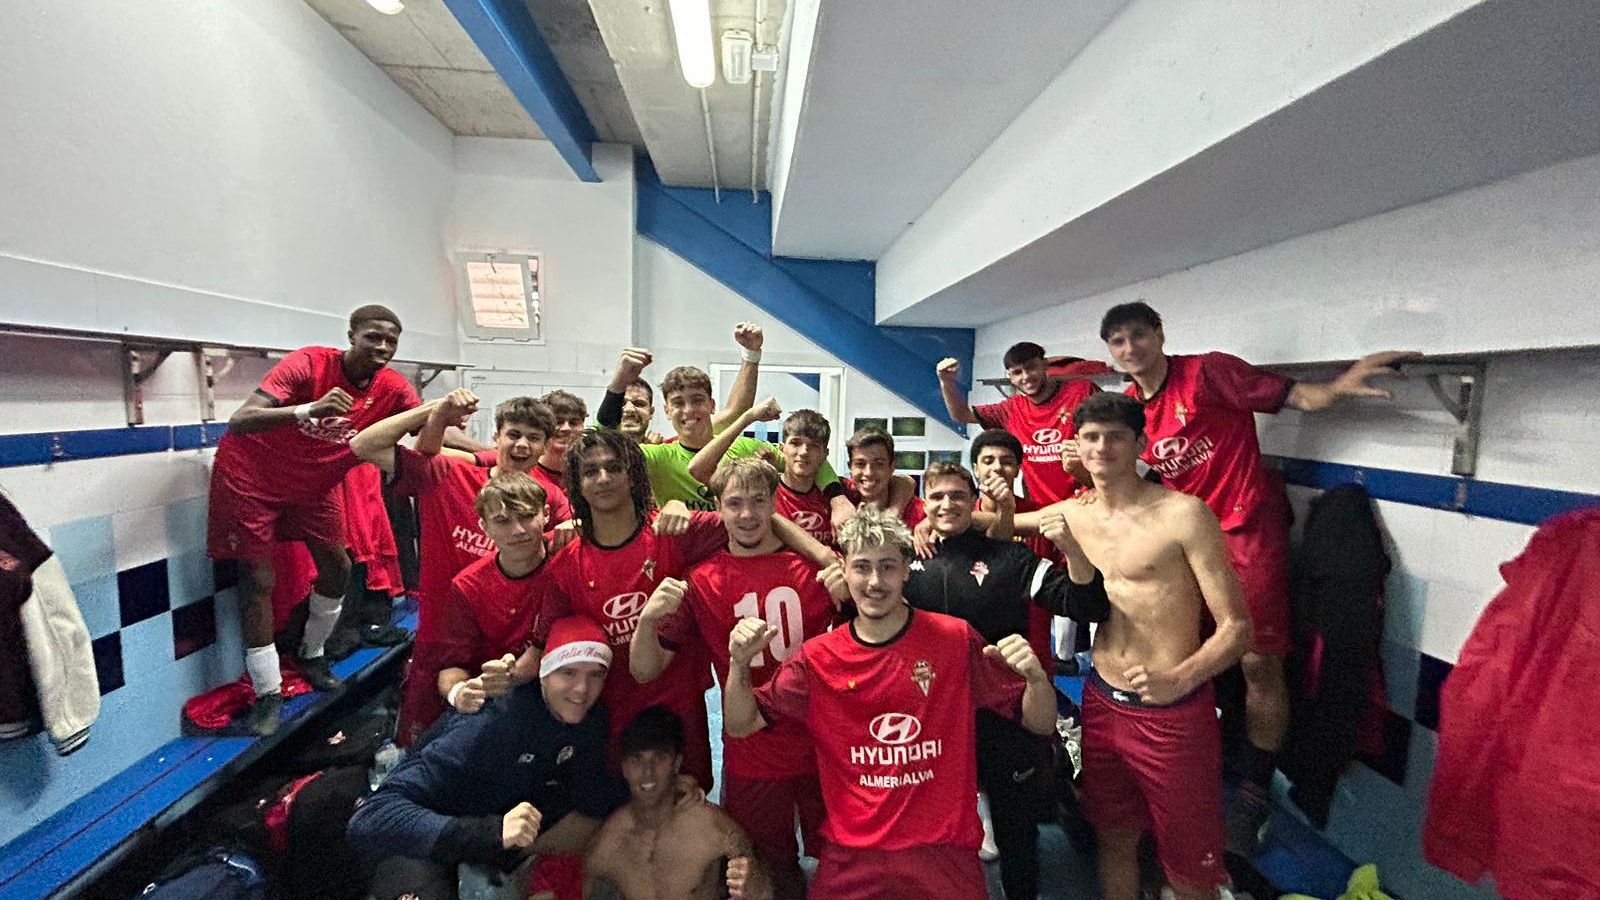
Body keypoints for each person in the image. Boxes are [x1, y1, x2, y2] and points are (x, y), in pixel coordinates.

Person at [1099, 300, 1413, 849]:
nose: (1131, 349)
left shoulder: (1208, 374)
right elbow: (1139, 475)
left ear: (1159, 333)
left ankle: (1254, 795)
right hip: (1185, 545)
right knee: (1176, 653)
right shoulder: (1128, 409)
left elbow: (1297, 396)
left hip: (1246, 531)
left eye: (1138, 336)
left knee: (1258, 663)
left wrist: (1341, 385)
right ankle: (1186, 765)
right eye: (1118, 342)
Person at [723, 508, 1058, 899]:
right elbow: (741, 724)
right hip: (852, 854)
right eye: (862, 567)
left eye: (887, 566)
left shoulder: (954, 640)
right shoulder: (817, 658)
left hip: (943, 851)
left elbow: (1040, 723)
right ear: (844, 571)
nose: (875, 581)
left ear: (906, 570)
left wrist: (1035, 678)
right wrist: (739, 665)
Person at [511, 429, 837, 791]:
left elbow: (752, 514)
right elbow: (540, 648)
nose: (603, 478)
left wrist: (826, 558)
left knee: (689, 810)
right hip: (608, 707)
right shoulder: (566, 561)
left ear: (632, 473)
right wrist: (487, 681)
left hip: (680, 705)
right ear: (577, 484)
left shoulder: (675, 529)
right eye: (590, 471)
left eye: (613, 467)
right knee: (618, 809)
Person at [1034, 392, 1252, 900]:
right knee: (1113, 838)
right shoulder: (1075, 513)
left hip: (1173, 711)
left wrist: (1180, 677)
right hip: (1103, 700)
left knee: (1190, 868)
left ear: (1140, 443)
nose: (1103, 447)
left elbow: (1238, 628)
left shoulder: (1185, 515)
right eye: (1091, 437)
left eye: (1116, 437)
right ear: (1077, 447)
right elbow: (993, 525)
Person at [631, 457, 843, 897]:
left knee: (840, 862)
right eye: (735, 503)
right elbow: (646, 669)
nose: (747, 514)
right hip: (752, 752)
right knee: (763, 869)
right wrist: (647, 621)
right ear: (718, 508)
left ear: (774, 505)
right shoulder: (701, 581)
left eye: (758, 501)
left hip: (821, 745)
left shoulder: (818, 574)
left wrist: (843, 585)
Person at [207, 304, 419, 734]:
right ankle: (268, 691)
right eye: (373, 337)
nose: (382, 347)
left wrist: (487, 455)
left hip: (314, 484)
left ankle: (312, 653)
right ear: (352, 334)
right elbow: (240, 419)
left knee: (337, 567)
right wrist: (308, 409)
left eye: (391, 340)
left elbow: (424, 425)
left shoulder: (392, 387)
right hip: (252, 475)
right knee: (258, 579)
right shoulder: (308, 363)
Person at [905, 461, 1110, 899]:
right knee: (935, 830)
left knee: (1017, 830)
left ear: (973, 500)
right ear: (923, 504)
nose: (947, 504)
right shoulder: (905, 561)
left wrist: (1072, 549)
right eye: (937, 496)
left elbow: (1085, 603)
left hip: (1004, 717)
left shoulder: (1009, 557)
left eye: (958, 495)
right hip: (932, 719)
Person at [347, 616, 625, 900]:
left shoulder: (590, 720)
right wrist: (489, 833)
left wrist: (655, 788)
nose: (582, 689)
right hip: (419, 845)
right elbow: (371, 817)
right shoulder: (490, 724)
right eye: (568, 673)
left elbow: (590, 793)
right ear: (544, 673)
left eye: (595, 674)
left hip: (489, 849)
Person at [351, 390, 570, 745]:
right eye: (514, 434)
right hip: (440, 643)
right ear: (496, 436)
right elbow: (364, 445)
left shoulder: (549, 500)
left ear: (545, 446)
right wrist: (434, 408)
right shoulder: (448, 473)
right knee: (423, 745)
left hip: (513, 651)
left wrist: (574, 529)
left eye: (534, 438)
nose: (522, 445)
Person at [584, 707, 774, 900]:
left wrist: (755, 885)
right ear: (624, 768)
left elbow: (763, 891)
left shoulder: (712, 826)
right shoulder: (608, 844)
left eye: (659, 759)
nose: (647, 773)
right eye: (636, 760)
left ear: (676, 764)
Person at [427, 474, 563, 733]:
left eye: (526, 516)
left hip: (569, 688)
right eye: (502, 520)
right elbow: (451, 668)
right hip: (501, 698)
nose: (518, 530)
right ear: (484, 526)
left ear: (545, 514)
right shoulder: (468, 586)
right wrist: (459, 693)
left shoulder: (570, 555)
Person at [936, 342, 1096, 505]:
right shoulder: (1010, 409)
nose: (1025, 377)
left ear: (1044, 364)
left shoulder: (1081, 392)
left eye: (1031, 368)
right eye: (1017, 372)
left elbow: (1116, 432)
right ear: (1010, 377)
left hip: (1085, 503)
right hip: (1038, 510)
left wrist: (1098, 486)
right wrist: (947, 382)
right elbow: (961, 414)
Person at [843, 427, 925, 528]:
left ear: (892, 467)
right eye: (860, 464)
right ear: (850, 467)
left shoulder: (916, 512)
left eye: (879, 464)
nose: (869, 472)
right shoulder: (841, 495)